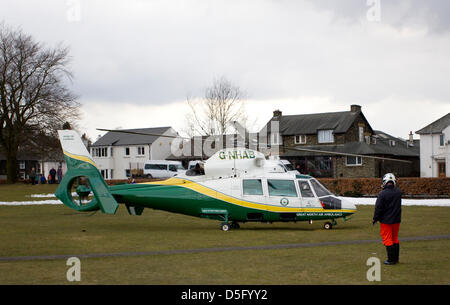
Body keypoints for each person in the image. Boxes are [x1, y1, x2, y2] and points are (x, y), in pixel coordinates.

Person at [372, 173, 402, 265]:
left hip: (386, 221)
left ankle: (391, 260)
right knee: (395, 238)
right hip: (396, 220)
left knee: (387, 239)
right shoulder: (398, 192)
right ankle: (396, 259)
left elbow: (378, 208)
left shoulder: (382, 194)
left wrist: (375, 218)